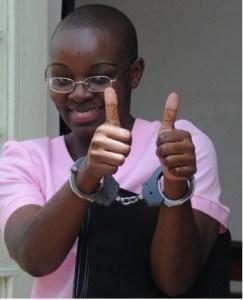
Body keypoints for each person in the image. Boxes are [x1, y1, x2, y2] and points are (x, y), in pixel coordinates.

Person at [0, 4, 230, 298]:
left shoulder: (179, 145)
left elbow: (176, 282)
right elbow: (33, 258)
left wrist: (175, 186)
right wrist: (87, 175)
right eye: (62, 78)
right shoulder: (24, 159)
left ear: (134, 74)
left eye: (98, 78)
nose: (79, 93)